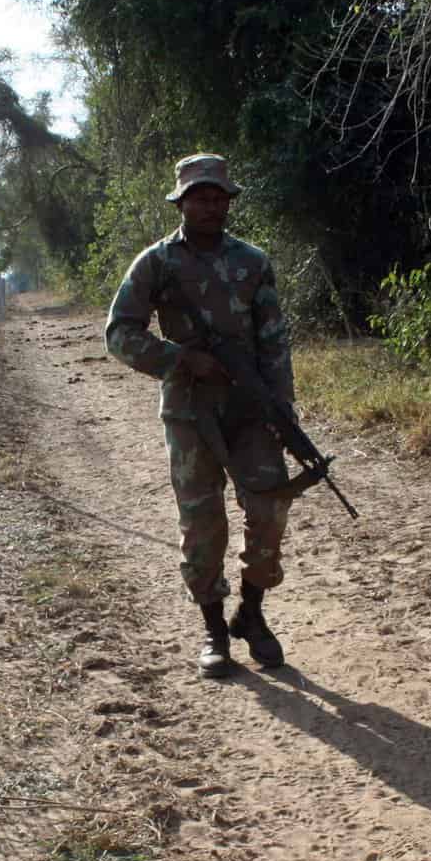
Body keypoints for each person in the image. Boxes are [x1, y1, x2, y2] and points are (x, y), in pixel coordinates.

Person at [105, 153, 296, 678]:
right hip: (190, 411)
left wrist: (283, 409)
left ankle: (251, 614)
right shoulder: (157, 263)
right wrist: (182, 359)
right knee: (202, 523)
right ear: (182, 202)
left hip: (251, 408)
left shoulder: (254, 262)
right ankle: (214, 631)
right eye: (200, 196)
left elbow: (274, 341)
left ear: (228, 201)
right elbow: (120, 334)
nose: (211, 205)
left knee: (269, 512)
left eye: (218, 196)